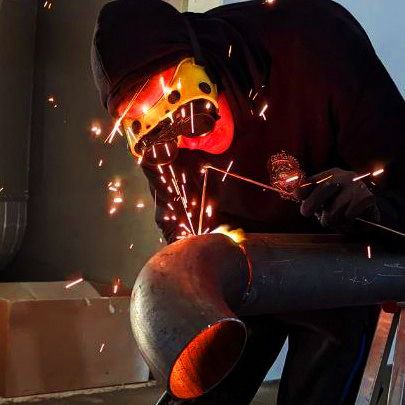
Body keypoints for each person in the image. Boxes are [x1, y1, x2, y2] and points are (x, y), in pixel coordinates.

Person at [91, 0, 405, 403]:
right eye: (162, 137)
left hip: (339, 256)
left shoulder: (316, 45)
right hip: (245, 268)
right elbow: (176, 221)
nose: (185, 143)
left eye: (190, 117)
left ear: (205, 69)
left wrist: (372, 203)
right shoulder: (155, 137)